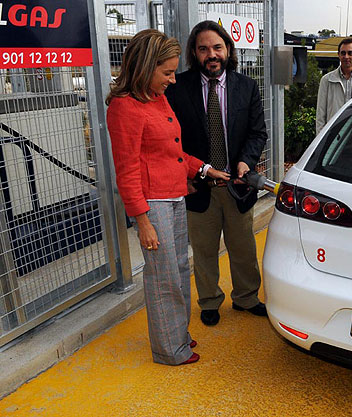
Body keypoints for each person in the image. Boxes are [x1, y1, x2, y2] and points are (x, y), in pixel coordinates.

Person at [106, 29, 229, 365]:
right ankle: (168, 350)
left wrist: (204, 170)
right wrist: (141, 220)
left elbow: (172, 153)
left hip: (175, 197)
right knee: (163, 278)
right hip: (153, 205)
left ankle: (177, 335)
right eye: (167, 72)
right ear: (146, 67)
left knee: (176, 270)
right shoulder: (124, 108)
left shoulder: (156, 98)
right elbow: (127, 169)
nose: (173, 80)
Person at [165, 21, 268, 327]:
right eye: (203, 48)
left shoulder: (246, 87)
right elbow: (172, 140)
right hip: (198, 185)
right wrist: (184, 175)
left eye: (217, 47)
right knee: (204, 249)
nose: (211, 54)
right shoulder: (177, 88)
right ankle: (209, 300)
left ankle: (247, 297)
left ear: (228, 50)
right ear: (194, 53)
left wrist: (246, 162)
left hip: (237, 184)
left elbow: (257, 133)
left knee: (243, 247)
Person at [316, 38, 352, 134]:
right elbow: (320, 115)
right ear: (338, 55)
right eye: (343, 53)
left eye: (350, 53)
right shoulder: (326, 81)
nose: (346, 56)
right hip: (333, 136)